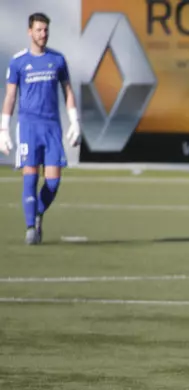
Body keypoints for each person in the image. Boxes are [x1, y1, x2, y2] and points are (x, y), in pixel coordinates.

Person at [0, 12, 81, 246]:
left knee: (53, 182)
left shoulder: (57, 60)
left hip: (52, 127)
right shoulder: (18, 62)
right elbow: (10, 96)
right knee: (30, 178)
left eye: (45, 30)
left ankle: (37, 213)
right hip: (28, 127)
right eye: (38, 30)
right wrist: (3, 129)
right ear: (30, 32)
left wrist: (75, 121)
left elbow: (68, 91)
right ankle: (30, 229)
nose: (43, 34)